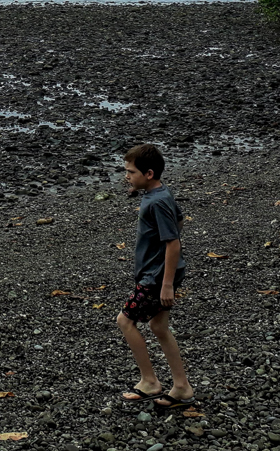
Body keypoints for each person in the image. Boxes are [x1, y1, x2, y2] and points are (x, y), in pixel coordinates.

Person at [116, 143, 195, 409]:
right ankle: (181, 386)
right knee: (158, 326)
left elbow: (173, 242)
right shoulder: (160, 195)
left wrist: (166, 284)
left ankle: (150, 381)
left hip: (156, 277)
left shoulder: (157, 201)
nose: (126, 175)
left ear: (148, 174)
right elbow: (179, 221)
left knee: (125, 322)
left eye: (131, 172)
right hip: (159, 273)